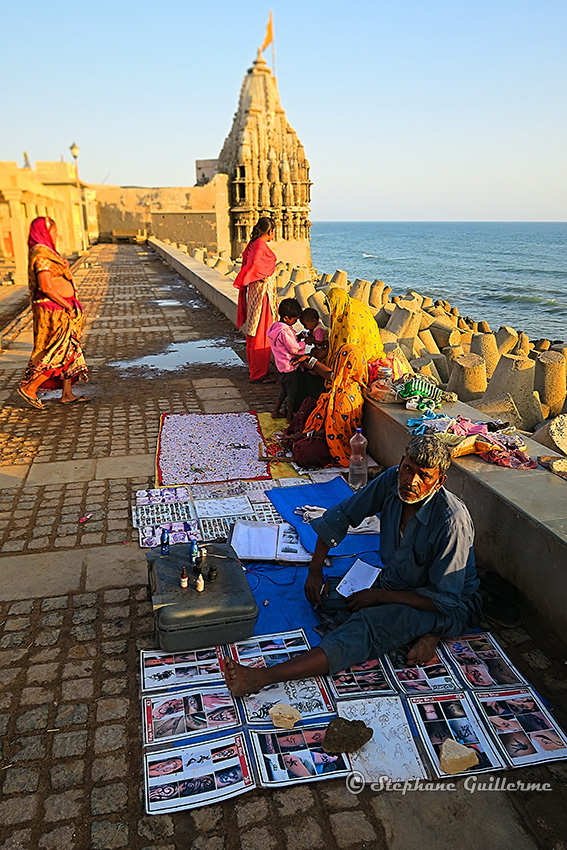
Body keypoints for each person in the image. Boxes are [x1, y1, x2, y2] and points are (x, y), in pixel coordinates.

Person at [224, 435, 482, 695]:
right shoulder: (391, 481)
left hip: (444, 603)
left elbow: (445, 600)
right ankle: (425, 633)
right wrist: (315, 570)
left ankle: (262, 677)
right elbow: (342, 515)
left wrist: (380, 596)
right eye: (408, 469)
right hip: (397, 582)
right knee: (329, 597)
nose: (411, 481)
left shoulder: (452, 522)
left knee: (365, 627)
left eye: (424, 476)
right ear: (401, 461)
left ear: (440, 481)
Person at [18, 216, 88, 410]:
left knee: (70, 350)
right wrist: (66, 305)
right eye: (54, 230)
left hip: (63, 307)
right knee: (59, 351)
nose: (57, 234)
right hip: (54, 310)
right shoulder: (40, 255)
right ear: (44, 231)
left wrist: (64, 268)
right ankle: (30, 388)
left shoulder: (50, 254)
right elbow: (46, 287)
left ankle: (67, 394)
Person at [286, 343, 368, 467]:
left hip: (334, 441)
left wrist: (306, 435)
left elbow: (334, 432)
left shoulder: (346, 397)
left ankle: (300, 440)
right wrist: (310, 360)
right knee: (308, 403)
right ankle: (299, 438)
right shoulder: (343, 380)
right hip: (324, 427)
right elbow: (326, 373)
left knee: (304, 452)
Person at [233, 216, 278, 382]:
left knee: (254, 330)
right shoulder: (259, 245)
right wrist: (262, 275)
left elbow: (250, 264)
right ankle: (258, 374)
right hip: (262, 294)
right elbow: (255, 266)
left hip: (255, 292)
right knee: (262, 332)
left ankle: (257, 369)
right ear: (270, 231)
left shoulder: (253, 244)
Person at [326, 286, 384, 371]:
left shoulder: (348, 322)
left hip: (363, 362)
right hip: (373, 352)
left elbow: (345, 351)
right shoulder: (356, 305)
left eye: (331, 307)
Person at [267, 298, 305, 422]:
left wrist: (297, 336)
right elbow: (294, 349)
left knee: (284, 389)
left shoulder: (275, 327)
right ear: (286, 318)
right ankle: (289, 417)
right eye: (294, 319)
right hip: (290, 366)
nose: (295, 322)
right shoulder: (286, 331)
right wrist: (304, 343)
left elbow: (284, 343)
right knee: (292, 393)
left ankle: (275, 411)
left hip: (280, 366)